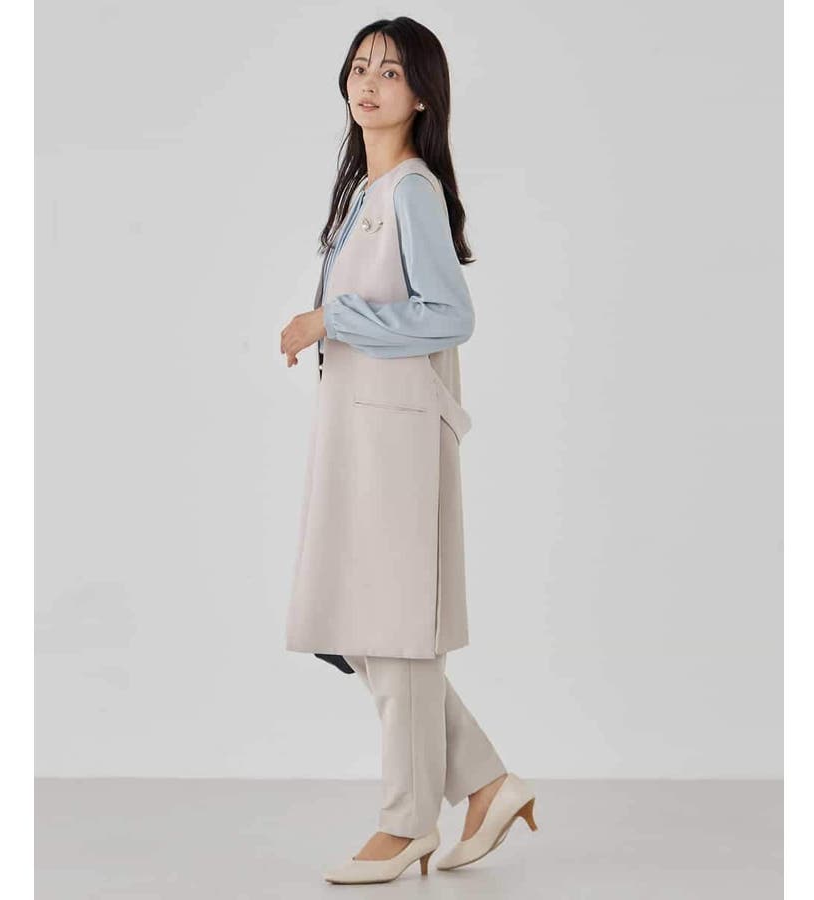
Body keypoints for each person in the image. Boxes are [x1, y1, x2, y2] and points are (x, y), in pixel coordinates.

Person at [279, 17, 538, 885]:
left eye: (390, 72)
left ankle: (408, 823)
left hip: (396, 440)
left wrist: (331, 317)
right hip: (357, 432)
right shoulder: (366, 195)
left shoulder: (413, 192)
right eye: (360, 67)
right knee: (362, 629)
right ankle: (487, 783)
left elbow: (450, 315)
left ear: (422, 94)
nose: (369, 83)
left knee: (393, 629)